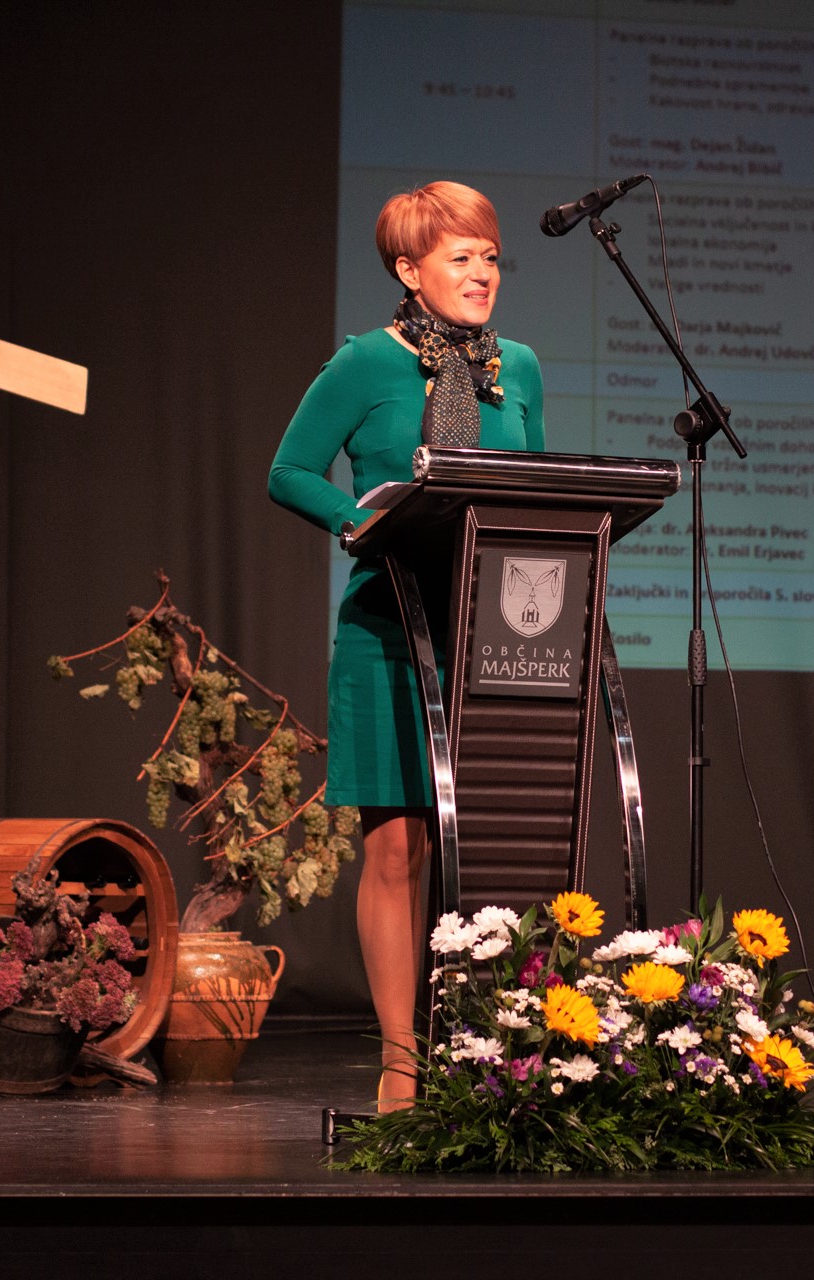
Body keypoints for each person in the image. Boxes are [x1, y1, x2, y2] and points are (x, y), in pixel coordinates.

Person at [268, 182, 544, 1110]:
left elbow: (537, 495)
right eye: (461, 258)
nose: (483, 273)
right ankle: (401, 1061)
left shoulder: (519, 367)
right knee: (397, 850)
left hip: (495, 637)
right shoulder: (365, 362)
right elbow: (290, 470)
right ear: (410, 270)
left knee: (488, 849)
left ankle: (490, 1048)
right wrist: (362, 523)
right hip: (390, 627)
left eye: (491, 257)